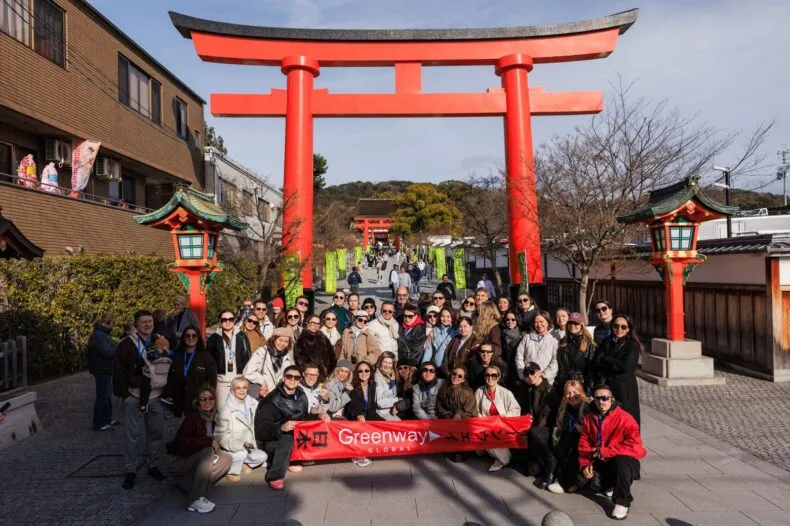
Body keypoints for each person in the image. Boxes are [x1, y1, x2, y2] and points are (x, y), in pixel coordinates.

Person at [113, 310, 168, 490]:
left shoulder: (159, 339)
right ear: (136, 325)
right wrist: (125, 395)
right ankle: (131, 469)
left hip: (155, 395)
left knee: (156, 432)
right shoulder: (126, 344)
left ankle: (153, 465)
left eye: (150, 321)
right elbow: (119, 371)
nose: (147, 325)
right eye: (143, 322)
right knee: (133, 435)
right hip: (135, 395)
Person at [254, 365, 329, 490]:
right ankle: (275, 475)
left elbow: (303, 417)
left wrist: (319, 416)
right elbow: (262, 429)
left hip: (295, 434)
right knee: (286, 441)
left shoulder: (300, 394)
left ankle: (295, 458)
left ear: (300, 380)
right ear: (283, 378)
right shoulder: (272, 400)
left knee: (321, 426)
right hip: (272, 438)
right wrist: (281, 427)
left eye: (296, 377)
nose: (293, 380)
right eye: (289, 376)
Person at [578, 385, 646, 520]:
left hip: (621, 462)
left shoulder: (625, 418)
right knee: (578, 480)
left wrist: (605, 451)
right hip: (600, 461)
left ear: (612, 400)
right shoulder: (589, 418)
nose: (601, 401)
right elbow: (584, 443)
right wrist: (585, 464)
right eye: (597, 398)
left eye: (605, 398)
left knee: (623, 461)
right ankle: (608, 486)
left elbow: (636, 448)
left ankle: (622, 502)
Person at [166, 385, 232, 514]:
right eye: (203, 399)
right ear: (197, 401)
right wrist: (208, 442)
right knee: (207, 451)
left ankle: (190, 485)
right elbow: (182, 446)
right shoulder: (192, 418)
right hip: (180, 460)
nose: (207, 402)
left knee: (227, 458)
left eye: (210, 398)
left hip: (197, 459)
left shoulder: (213, 417)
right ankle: (195, 499)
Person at [516, 363, 561, 485]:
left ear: (539, 372)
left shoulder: (550, 392)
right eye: (527, 374)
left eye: (532, 372)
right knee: (529, 470)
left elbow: (545, 418)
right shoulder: (527, 389)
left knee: (533, 432)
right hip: (532, 430)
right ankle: (540, 463)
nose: (530, 376)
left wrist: (530, 431)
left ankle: (551, 461)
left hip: (546, 431)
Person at [215, 377, 268, 481]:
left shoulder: (253, 404)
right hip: (231, 447)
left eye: (244, 387)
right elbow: (219, 435)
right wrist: (237, 444)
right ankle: (231, 471)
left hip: (249, 445)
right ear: (232, 390)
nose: (242, 390)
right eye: (238, 388)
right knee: (241, 453)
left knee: (263, 456)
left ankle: (244, 464)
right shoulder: (225, 410)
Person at [593, 315, 641, 425]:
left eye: (623, 327)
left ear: (628, 329)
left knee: (627, 418)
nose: (619, 329)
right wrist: (614, 362)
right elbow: (597, 361)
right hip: (608, 385)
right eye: (616, 326)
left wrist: (607, 359)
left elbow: (626, 366)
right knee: (609, 417)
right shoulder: (607, 341)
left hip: (624, 387)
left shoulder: (632, 345)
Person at [474, 365, 521, 471]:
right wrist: (485, 421)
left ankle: (503, 458)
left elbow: (516, 410)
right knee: (487, 437)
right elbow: (475, 411)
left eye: (493, 375)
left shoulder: (506, 393)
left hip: (503, 426)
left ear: (498, 377)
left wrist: (501, 419)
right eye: (487, 375)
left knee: (501, 452)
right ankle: (498, 455)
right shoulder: (479, 391)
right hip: (485, 425)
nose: (490, 378)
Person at [546, 380, 590, 494]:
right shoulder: (566, 408)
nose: (571, 396)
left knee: (572, 446)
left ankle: (565, 482)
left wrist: (581, 428)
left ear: (581, 392)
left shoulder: (587, 407)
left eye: (575, 392)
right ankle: (556, 476)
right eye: (568, 393)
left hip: (586, 441)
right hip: (569, 438)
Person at [207, 309, 252, 411]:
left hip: (238, 381)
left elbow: (248, 357)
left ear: (234, 320)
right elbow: (209, 361)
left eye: (230, 319)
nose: (227, 322)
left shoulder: (242, 336)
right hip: (221, 382)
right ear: (220, 320)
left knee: (238, 412)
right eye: (224, 319)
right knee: (222, 413)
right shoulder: (214, 338)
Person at [171, 327, 218, 418]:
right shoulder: (177, 356)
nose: (191, 338)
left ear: (198, 338)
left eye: (194, 335)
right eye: (187, 335)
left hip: (199, 403)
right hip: (180, 402)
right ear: (183, 338)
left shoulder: (206, 357)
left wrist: (204, 399)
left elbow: (212, 381)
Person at [243, 327, 296, 399]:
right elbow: (248, 372)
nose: (283, 344)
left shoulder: (287, 356)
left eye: (286, 341)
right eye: (280, 340)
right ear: (274, 339)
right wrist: (262, 381)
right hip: (261, 393)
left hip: (277, 396)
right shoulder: (262, 352)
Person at [87, 313, 117, 431]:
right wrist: (118, 347)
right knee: (103, 396)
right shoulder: (99, 335)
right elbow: (107, 352)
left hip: (104, 368)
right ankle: (100, 422)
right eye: (112, 324)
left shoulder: (102, 334)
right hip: (101, 369)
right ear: (106, 323)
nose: (113, 326)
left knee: (107, 395)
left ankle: (106, 419)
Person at [345, 361, 378, 466]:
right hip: (355, 415)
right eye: (360, 371)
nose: (363, 373)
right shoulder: (353, 387)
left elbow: (374, 405)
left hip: (370, 414)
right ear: (356, 373)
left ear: (371, 372)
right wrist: (359, 415)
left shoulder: (373, 386)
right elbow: (352, 405)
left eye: (366, 370)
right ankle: (360, 454)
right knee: (360, 424)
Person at [555, 312, 596, 392]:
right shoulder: (563, 342)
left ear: (582, 325)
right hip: (563, 383)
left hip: (580, 384)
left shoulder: (588, 343)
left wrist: (589, 389)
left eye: (576, 323)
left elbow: (592, 369)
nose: (572, 325)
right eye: (570, 323)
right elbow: (559, 365)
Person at [515, 311, 559, 385]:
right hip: (527, 380)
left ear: (548, 322)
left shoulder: (554, 340)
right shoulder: (527, 338)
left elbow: (555, 361)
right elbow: (519, 357)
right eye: (536, 322)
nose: (539, 325)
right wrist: (523, 375)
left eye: (542, 321)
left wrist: (542, 376)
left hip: (545, 382)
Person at [138, 334, 175, 413]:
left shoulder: (168, 349)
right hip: (152, 371)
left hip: (164, 371)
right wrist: (159, 351)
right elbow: (150, 356)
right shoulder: (151, 348)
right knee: (145, 385)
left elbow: (173, 355)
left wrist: (167, 351)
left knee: (171, 380)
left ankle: (166, 396)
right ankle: (143, 403)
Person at [294, 315, 337, 381]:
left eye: (317, 324)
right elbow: (300, 360)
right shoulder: (302, 339)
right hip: (309, 376)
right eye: (313, 323)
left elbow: (332, 356)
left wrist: (328, 372)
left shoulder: (323, 337)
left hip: (325, 376)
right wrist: (311, 372)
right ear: (307, 323)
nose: (315, 325)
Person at [373, 351, 402, 421]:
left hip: (393, 409)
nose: (387, 365)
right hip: (383, 412)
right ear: (380, 362)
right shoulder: (377, 377)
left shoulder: (392, 375)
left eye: (390, 363)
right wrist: (397, 400)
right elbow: (379, 402)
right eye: (385, 362)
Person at [500, 311, 522, 390]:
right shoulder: (501, 334)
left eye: (513, 320)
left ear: (517, 320)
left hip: (518, 368)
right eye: (507, 319)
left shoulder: (522, 334)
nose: (510, 322)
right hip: (506, 368)